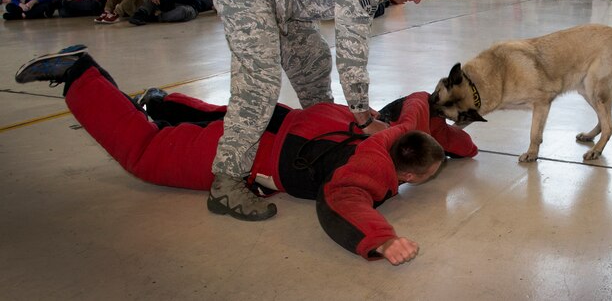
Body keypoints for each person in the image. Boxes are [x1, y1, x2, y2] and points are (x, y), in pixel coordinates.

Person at [13, 47, 477, 266]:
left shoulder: (396, 128)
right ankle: (79, 73)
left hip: (279, 120)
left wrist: (462, 144)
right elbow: (343, 201)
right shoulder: (372, 169)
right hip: (251, 154)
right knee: (147, 153)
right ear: (409, 177)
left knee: (211, 114)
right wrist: (381, 238)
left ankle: (158, 99)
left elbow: (421, 102)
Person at [210, 0, 444, 221]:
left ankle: (318, 130)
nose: (418, 0)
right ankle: (226, 182)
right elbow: (351, 53)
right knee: (260, 82)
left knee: (314, 60)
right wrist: (364, 118)